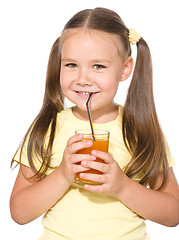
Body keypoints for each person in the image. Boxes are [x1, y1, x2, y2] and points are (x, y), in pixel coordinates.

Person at [10, 7, 179, 240]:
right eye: (71, 65)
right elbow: (19, 213)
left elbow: (173, 213)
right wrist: (62, 175)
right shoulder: (47, 128)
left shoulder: (141, 130)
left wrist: (122, 186)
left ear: (125, 69)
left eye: (98, 66)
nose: (82, 79)